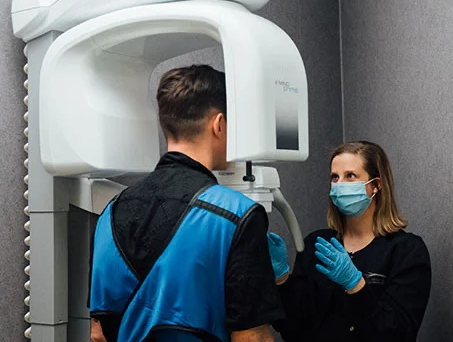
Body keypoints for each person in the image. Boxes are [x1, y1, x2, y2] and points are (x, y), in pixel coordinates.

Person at [88, 65, 284, 342]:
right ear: (219, 125)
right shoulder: (237, 215)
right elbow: (251, 338)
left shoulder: (110, 212)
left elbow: (98, 334)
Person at [267, 141, 431, 342]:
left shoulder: (406, 251)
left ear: (376, 185)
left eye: (350, 176)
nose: (339, 185)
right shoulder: (318, 245)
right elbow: (294, 330)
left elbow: (399, 334)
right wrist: (282, 280)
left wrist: (356, 285)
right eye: (335, 177)